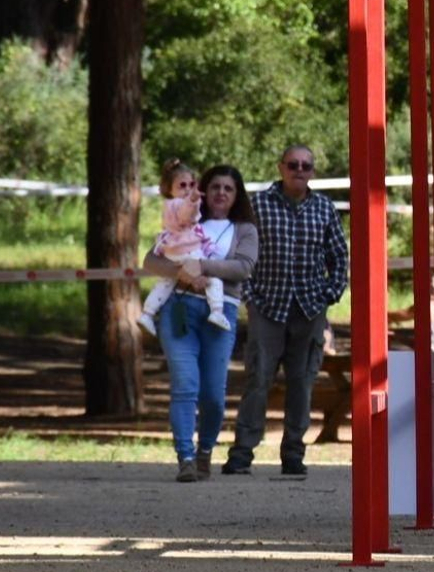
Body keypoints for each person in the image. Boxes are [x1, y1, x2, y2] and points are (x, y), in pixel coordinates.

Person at [222, 144, 349, 478]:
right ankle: (242, 454)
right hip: (267, 307)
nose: (299, 171)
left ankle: (293, 454)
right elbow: (239, 253)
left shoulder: (324, 208)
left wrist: (329, 294)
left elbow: (339, 256)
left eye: (306, 166)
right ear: (281, 168)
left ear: (313, 172)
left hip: (309, 309)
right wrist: (250, 296)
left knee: (302, 383)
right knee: (257, 381)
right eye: (293, 165)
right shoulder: (258, 205)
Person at [142, 163, 258, 482]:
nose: (221, 193)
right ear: (203, 190)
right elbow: (151, 260)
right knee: (185, 385)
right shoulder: (185, 220)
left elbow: (243, 267)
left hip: (221, 313)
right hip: (180, 308)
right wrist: (182, 273)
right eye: (215, 186)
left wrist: (202, 267)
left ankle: (205, 449)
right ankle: (186, 458)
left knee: (213, 395)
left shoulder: (244, 229)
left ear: (237, 195)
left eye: (228, 188)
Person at [137, 160, 230, 335]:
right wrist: (193, 200)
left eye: (191, 184)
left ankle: (148, 312)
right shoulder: (180, 203)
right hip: (187, 248)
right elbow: (186, 214)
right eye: (182, 185)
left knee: (166, 282)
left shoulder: (168, 204)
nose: (188, 189)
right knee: (213, 279)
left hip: (172, 250)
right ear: (169, 188)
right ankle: (217, 311)